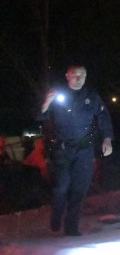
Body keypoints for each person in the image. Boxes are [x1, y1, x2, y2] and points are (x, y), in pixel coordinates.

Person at [39, 64, 113, 236]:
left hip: (84, 150)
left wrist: (107, 139)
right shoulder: (58, 94)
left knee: (80, 188)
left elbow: (103, 116)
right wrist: (46, 102)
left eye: (82, 75)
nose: (78, 78)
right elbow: (39, 116)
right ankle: (56, 215)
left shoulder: (91, 96)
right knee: (62, 187)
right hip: (63, 150)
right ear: (67, 76)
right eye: (75, 75)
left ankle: (71, 227)